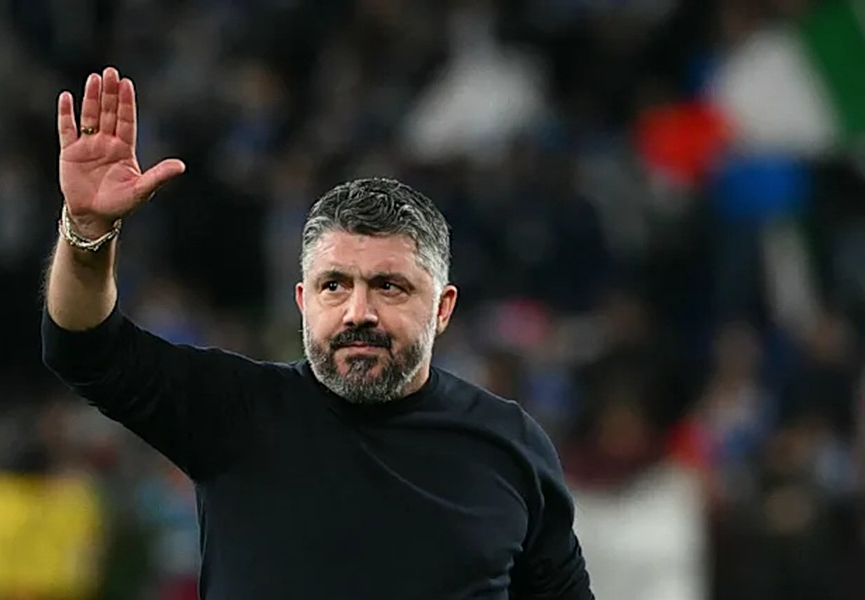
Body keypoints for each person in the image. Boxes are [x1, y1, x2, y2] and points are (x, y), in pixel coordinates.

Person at [42, 66, 595, 600]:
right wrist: (88, 232)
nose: (358, 312)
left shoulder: (510, 446)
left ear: (443, 308)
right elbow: (83, 347)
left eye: (388, 286)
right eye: (334, 285)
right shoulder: (235, 412)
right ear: (303, 302)